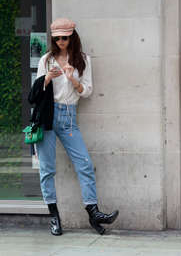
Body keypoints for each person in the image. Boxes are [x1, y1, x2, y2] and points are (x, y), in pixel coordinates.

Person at [29, 18, 119, 236]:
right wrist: (47, 78)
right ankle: (54, 217)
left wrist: (73, 80)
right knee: (47, 169)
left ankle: (93, 212)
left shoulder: (83, 60)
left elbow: (87, 90)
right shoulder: (46, 60)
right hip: (47, 117)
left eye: (65, 37)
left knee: (85, 164)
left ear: (72, 37)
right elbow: (35, 93)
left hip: (69, 117)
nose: (61, 41)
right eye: (57, 38)